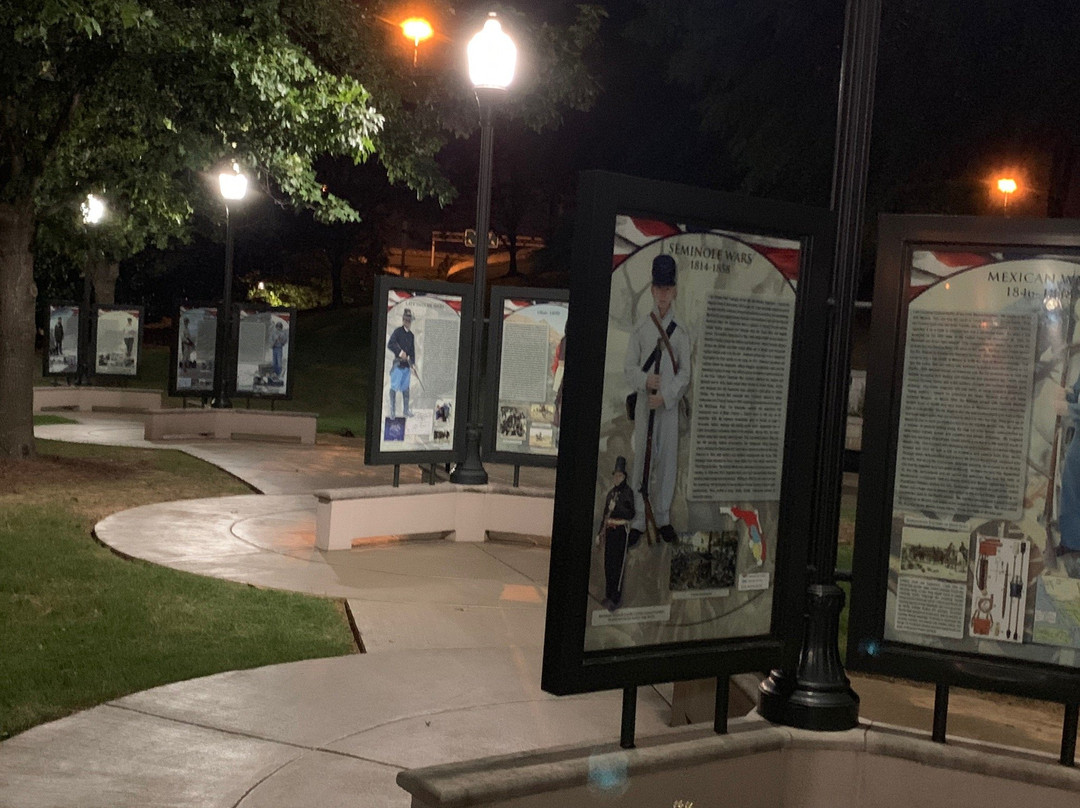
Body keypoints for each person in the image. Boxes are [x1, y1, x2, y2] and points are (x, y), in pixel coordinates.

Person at [623, 253, 692, 545]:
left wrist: (666, 395)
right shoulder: (641, 328)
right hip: (644, 405)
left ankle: (662, 517)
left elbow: (685, 373)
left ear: (674, 290)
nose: (663, 294)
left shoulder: (681, 332)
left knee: (667, 462)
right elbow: (629, 368)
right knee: (643, 459)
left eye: (668, 288)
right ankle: (640, 518)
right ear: (652, 289)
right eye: (659, 288)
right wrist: (645, 381)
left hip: (668, 407)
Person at [599, 456, 636, 611]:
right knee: (608, 565)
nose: (616, 478)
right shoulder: (611, 493)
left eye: (619, 475)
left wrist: (617, 508)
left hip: (620, 534)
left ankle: (615, 598)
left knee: (617, 567)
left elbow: (630, 513)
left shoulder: (628, 493)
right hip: (610, 533)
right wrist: (600, 533)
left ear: (624, 477)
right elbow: (605, 514)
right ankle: (608, 595)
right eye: (615, 475)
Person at [387, 308, 416, 419]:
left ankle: (406, 410)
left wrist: (412, 363)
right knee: (394, 388)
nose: (407, 322)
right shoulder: (398, 332)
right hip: (398, 365)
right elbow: (390, 344)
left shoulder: (411, 335)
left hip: (406, 366)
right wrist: (400, 352)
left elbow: (412, 351)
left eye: (409, 320)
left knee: (406, 389)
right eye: (406, 320)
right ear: (403, 320)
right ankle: (392, 411)